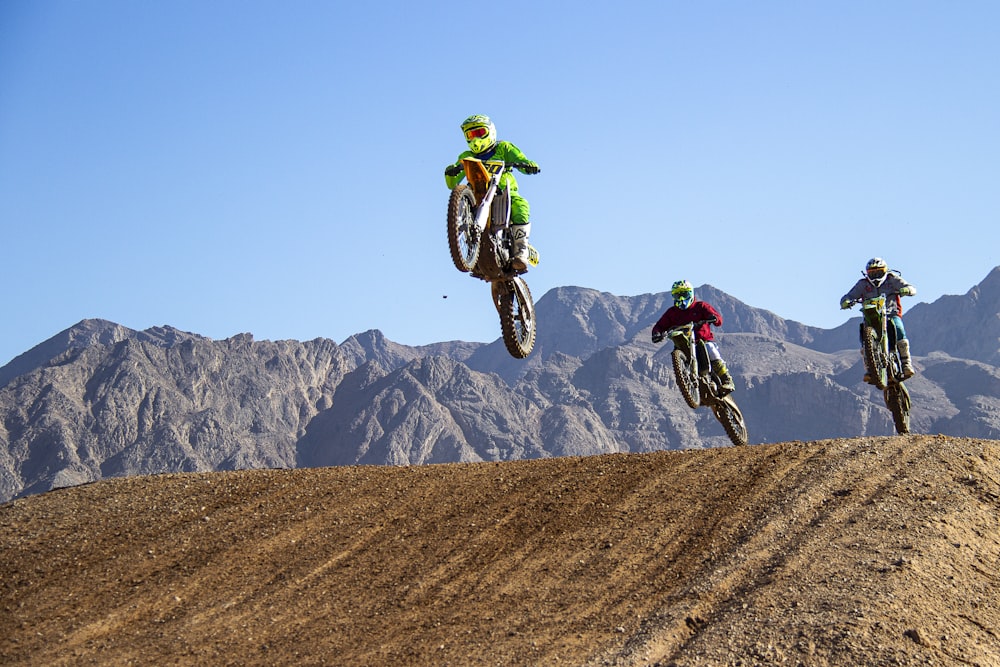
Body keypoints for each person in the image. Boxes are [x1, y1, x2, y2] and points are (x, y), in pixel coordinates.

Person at [444, 114, 540, 270]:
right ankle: (468, 246)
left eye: (479, 133)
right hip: (476, 193)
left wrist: (528, 164)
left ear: (490, 131)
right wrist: (451, 172)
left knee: (520, 206)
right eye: (470, 135)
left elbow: (522, 161)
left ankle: (521, 250)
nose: (475, 139)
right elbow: (452, 183)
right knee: (463, 208)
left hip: (503, 190)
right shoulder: (467, 157)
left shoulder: (504, 148)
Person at [651, 280, 736, 394]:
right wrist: (657, 333)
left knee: (710, 349)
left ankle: (727, 380)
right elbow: (660, 325)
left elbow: (717, 318)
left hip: (703, 341)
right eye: (677, 295)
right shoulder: (672, 312)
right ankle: (686, 383)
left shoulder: (701, 306)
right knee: (676, 355)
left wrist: (713, 318)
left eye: (684, 294)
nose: (681, 298)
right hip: (684, 344)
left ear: (690, 294)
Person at [840, 257, 917, 380]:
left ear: (885, 271)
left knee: (899, 328)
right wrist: (846, 301)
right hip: (871, 316)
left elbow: (911, 287)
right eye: (872, 273)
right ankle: (870, 369)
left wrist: (907, 289)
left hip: (891, 313)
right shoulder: (863, 284)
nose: (875, 276)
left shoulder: (892, 279)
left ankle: (906, 363)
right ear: (867, 273)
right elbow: (848, 296)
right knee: (863, 336)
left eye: (878, 272)